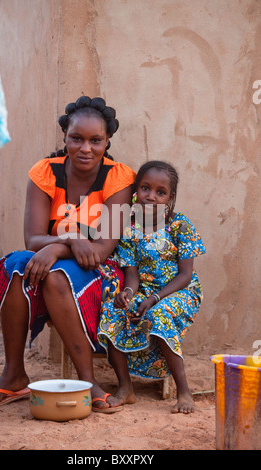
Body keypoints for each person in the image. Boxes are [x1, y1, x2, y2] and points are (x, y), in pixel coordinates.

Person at [0, 96, 135, 412]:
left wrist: (66, 243)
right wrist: (70, 242)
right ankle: (13, 374)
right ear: (65, 138)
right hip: (52, 262)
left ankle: (87, 379)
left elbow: (102, 248)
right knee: (16, 267)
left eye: (95, 140)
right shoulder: (44, 172)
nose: (85, 148)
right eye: (77, 138)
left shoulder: (119, 178)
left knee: (56, 277)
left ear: (107, 142)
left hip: (102, 272)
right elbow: (32, 239)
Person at [97, 161, 206, 413]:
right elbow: (132, 274)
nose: (151, 196)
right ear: (136, 190)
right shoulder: (130, 228)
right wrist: (127, 294)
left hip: (180, 292)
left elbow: (185, 275)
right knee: (112, 313)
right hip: (146, 292)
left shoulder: (180, 225)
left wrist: (155, 298)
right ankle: (126, 388)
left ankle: (183, 391)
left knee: (158, 316)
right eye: (145, 188)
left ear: (170, 197)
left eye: (160, 192)